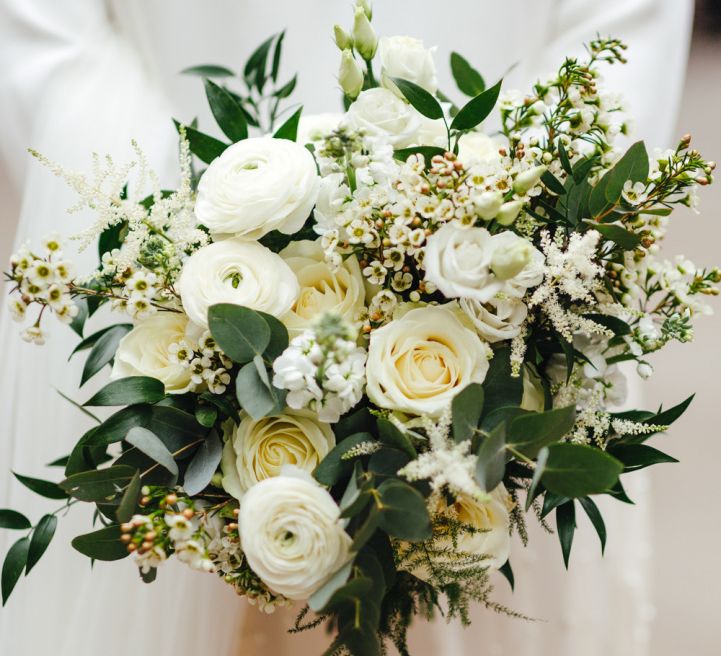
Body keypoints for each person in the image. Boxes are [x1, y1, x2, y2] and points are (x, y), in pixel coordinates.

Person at [0, 1, 692, 654]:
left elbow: (622, 26)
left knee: (476, 566)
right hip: (176, 264)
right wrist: (183, 233)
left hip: (511, 291)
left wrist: (503, 220)